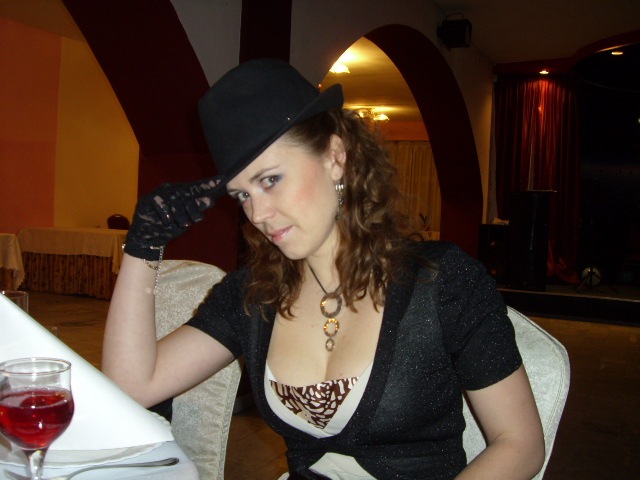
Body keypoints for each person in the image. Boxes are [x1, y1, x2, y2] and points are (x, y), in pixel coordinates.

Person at [103, 58, 545, 479]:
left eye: (270, 180)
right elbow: (134, 386)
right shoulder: (253, 295)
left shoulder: (442, 283)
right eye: (242, 195)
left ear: (335, 156)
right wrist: (143, 246)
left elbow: (520, 446)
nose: (257, 214)